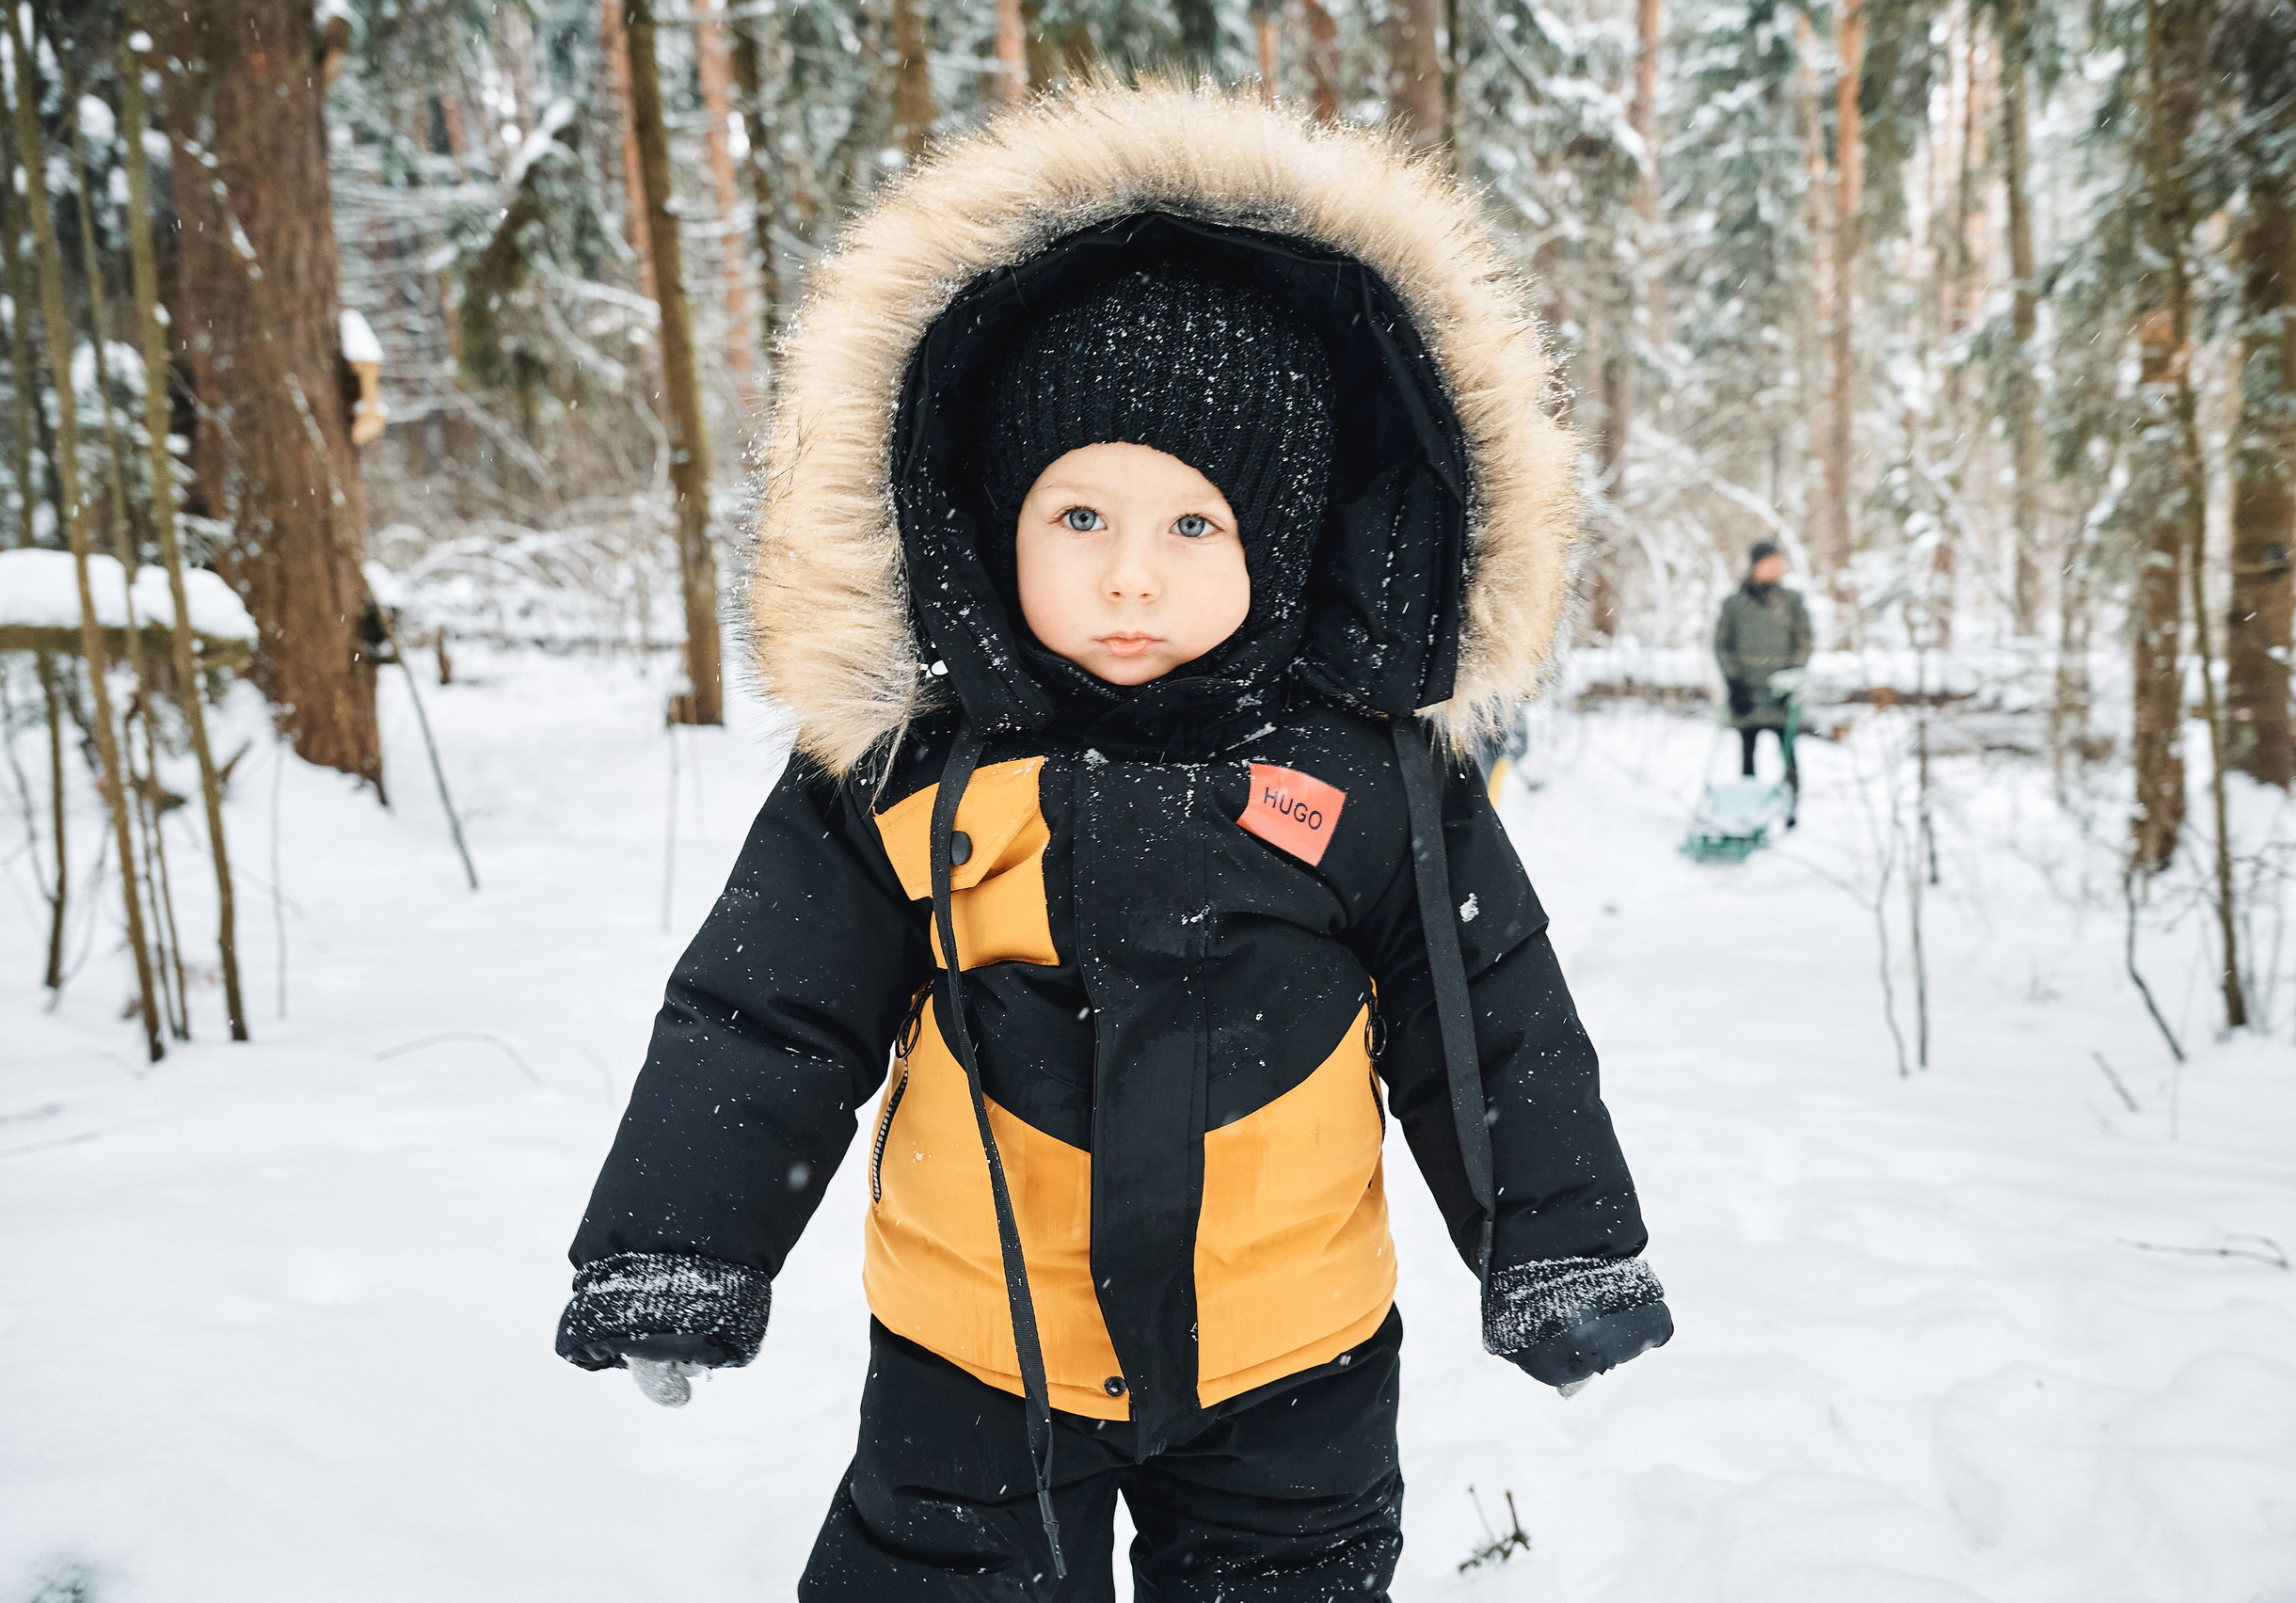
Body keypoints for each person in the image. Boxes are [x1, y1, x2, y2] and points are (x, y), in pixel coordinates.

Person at [553, 86, 1669, 1602]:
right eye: (1079, 517)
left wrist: (1558, 1245)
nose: (1131, 577)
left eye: (1193, 526)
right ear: (993, 521)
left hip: (1294, 1360)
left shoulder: (1367, 779)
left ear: (1279, 542)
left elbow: (1488, 1017)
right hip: (974, 1362)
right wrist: (682, 1241)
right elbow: (766, 1013)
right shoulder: (910, 769)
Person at [1714, 540, 1813, 784]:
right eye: (1770, 563)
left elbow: (1805, 641)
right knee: (1747, 753)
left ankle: (1790, 800)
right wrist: (1734, 681)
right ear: (1755, 565)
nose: (1776, 568)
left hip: (1781, 692)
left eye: (1779, 563)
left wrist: (1791, 679)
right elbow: (1722, 645)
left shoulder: (1792, 601)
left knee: (1788, 752)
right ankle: (1749, 800)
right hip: (1747, 690)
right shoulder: (1734, 604)